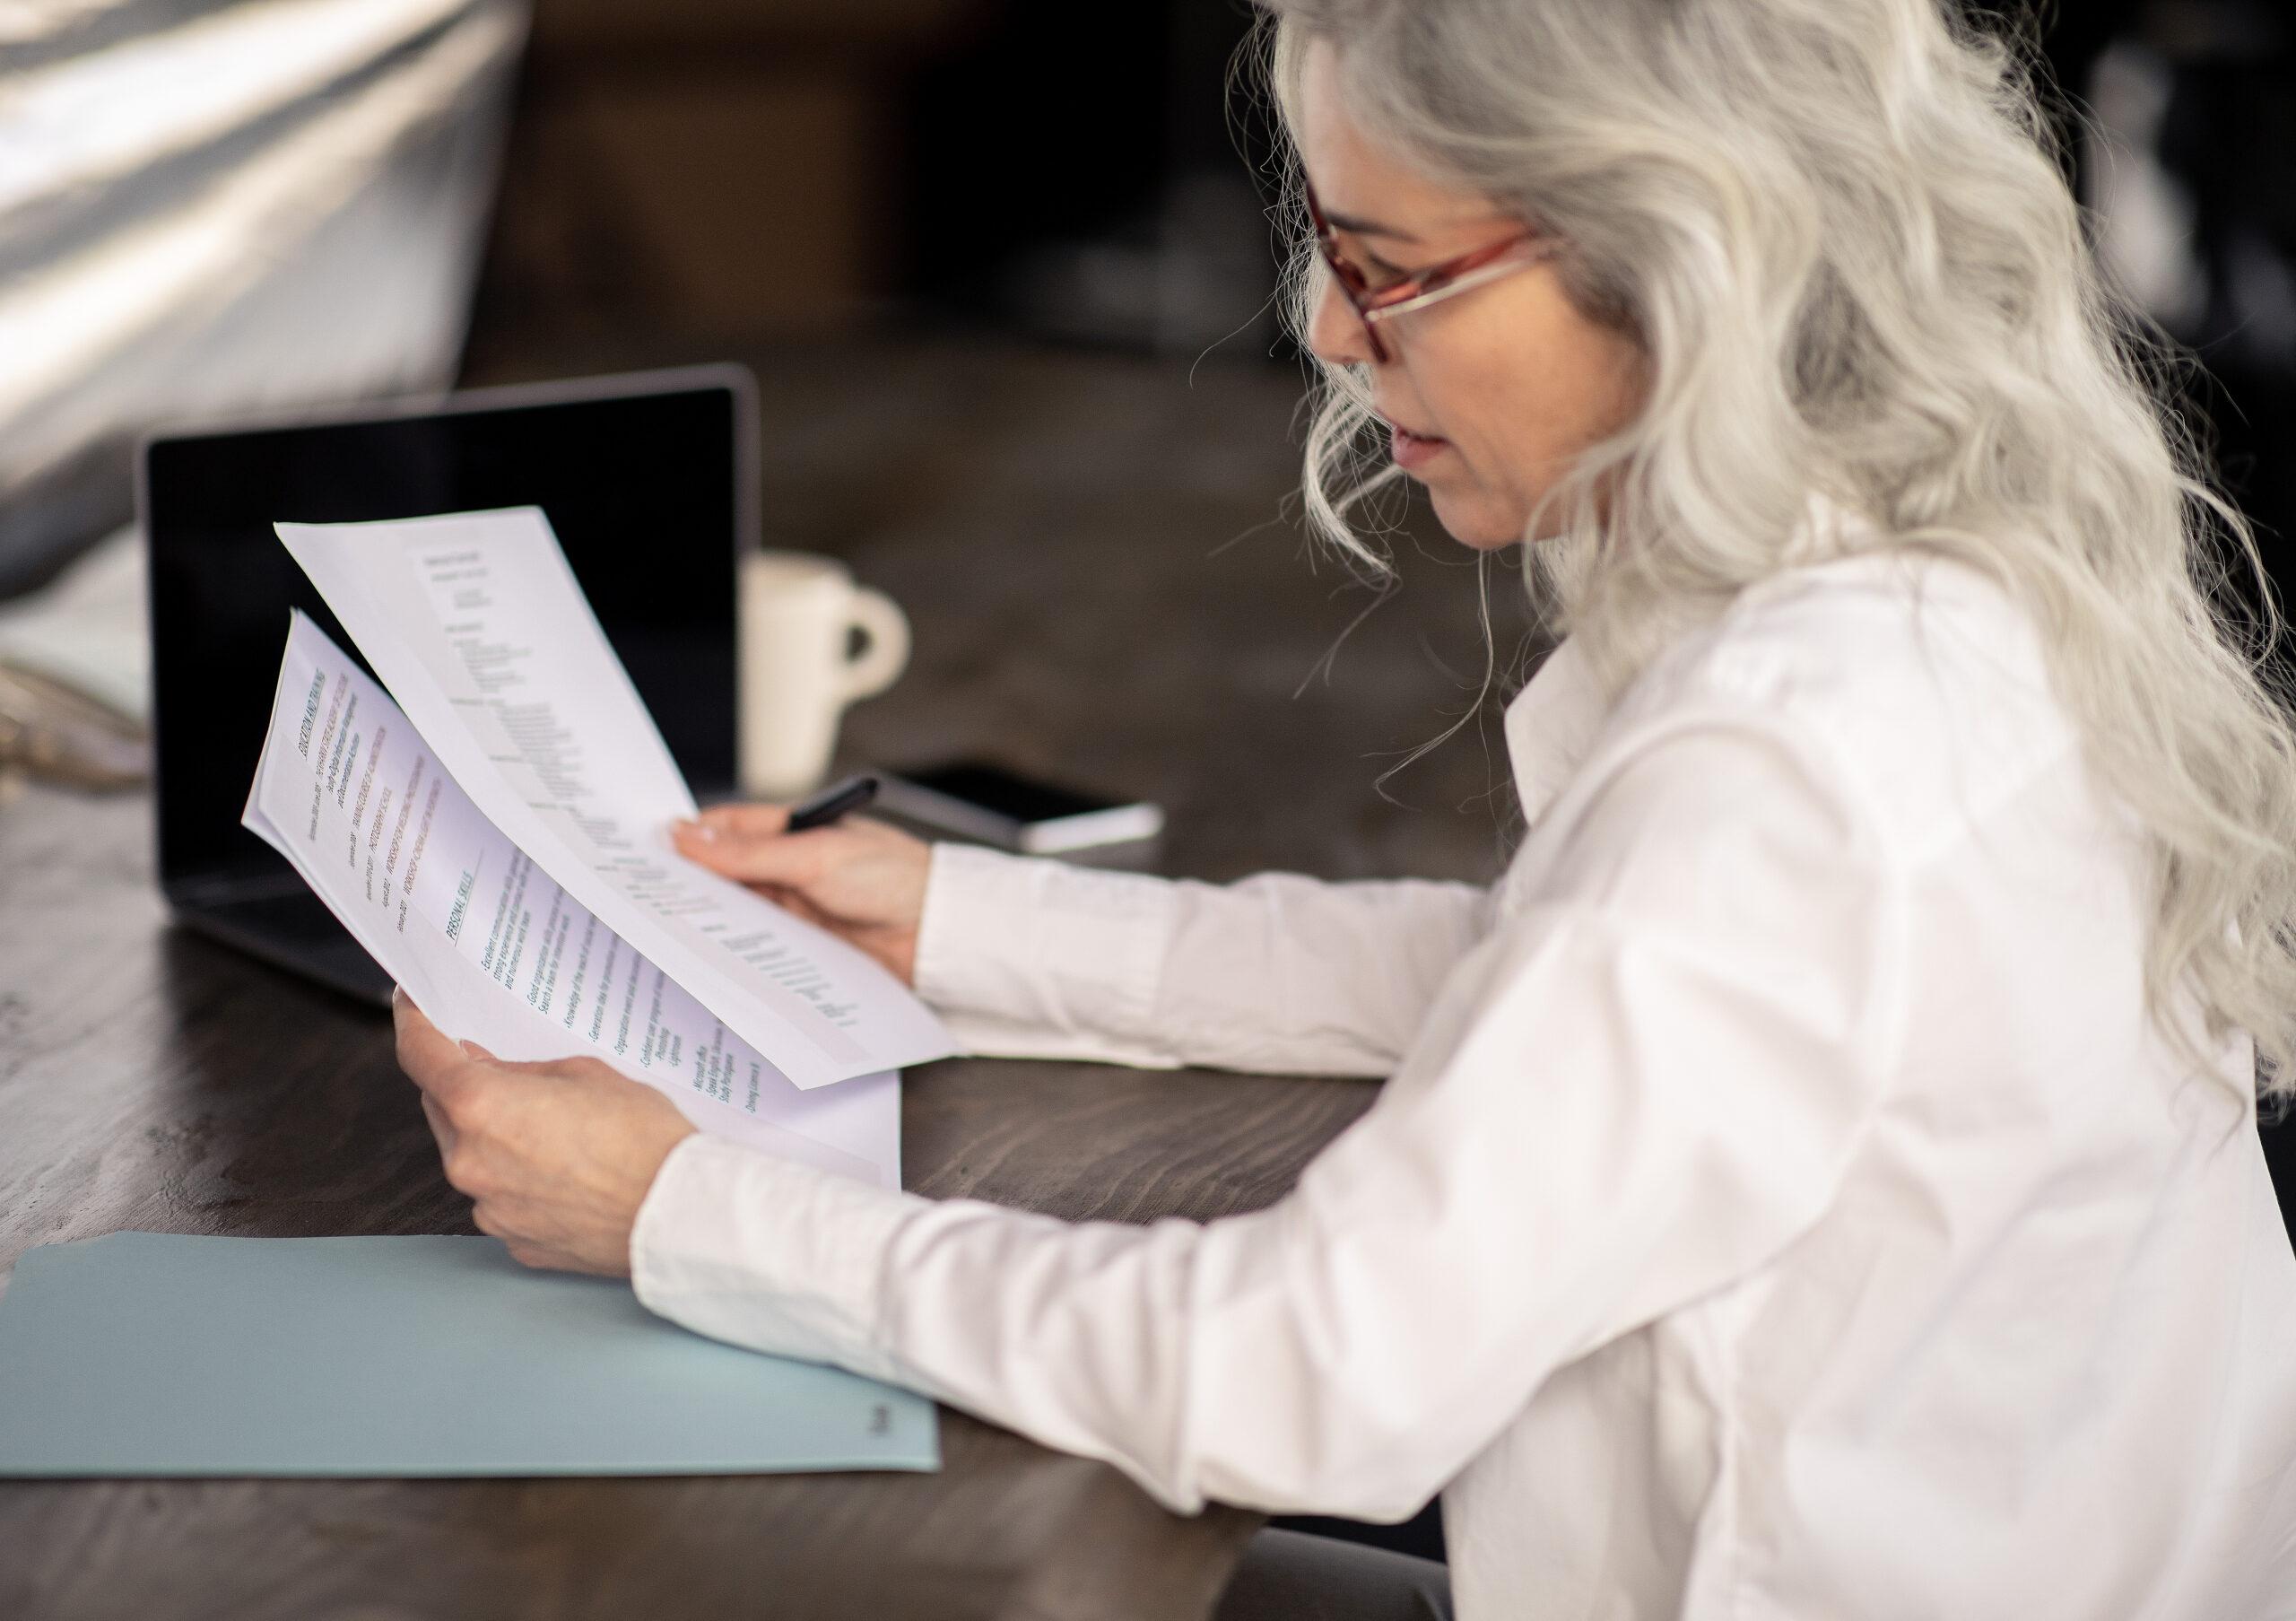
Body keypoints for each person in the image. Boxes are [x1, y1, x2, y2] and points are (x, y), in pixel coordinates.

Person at [390, 0, 2296, 1615]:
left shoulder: (1781, 771)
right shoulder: (1941, 597)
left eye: (1385, 269)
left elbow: (1303, 1373)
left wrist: (680, 1203)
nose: (1317, 328)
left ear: (1677, 254)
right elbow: (1550, 982)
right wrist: (962, 927)